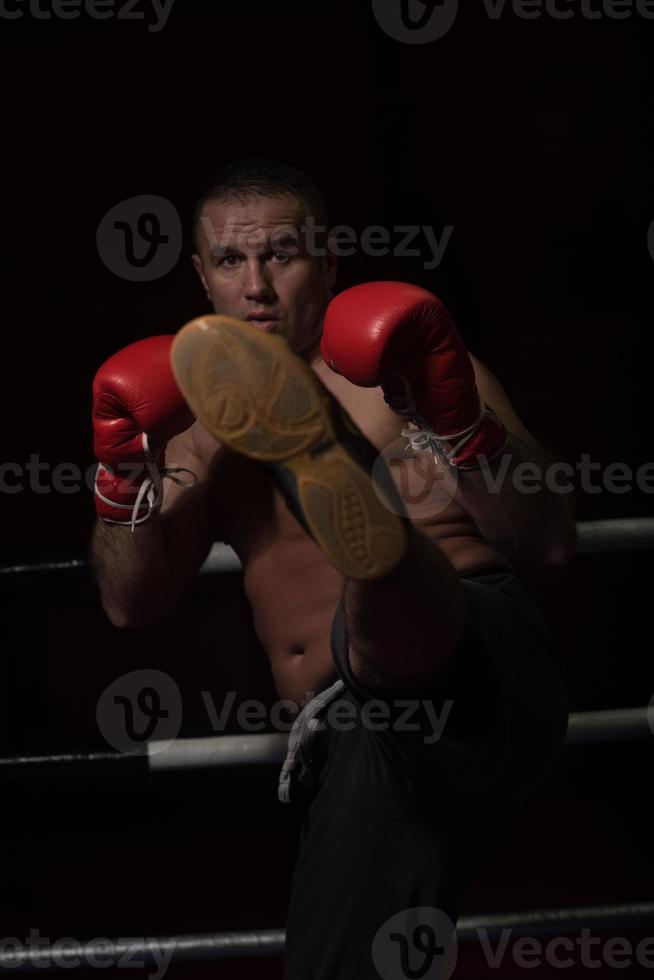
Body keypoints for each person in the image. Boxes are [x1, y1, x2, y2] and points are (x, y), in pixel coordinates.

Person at [91, 159, 575, 979]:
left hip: (485, 672)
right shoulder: (190, 436)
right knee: (340, 954)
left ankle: (359, 514)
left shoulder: (409, 373)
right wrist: (117, 481)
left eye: (283, 254)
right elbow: (127, 603)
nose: (259, 286)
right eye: (233, 261)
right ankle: (356, 511)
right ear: (201, 275)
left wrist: (460, 426)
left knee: (376, 614)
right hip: (361, 741)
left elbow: (551, 539)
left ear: (331, 262)